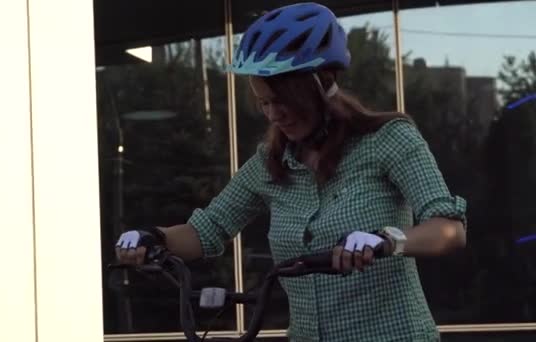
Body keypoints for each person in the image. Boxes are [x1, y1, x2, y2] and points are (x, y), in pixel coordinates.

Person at [115, 2, 467, 341]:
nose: (273, 114)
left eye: (282, 100)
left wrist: (387, 240)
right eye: (264, 102)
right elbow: (207, 230)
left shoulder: (389, 140)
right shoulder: (270, 162)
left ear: (322, 84)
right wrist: (154, 237)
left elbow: (449, 229)